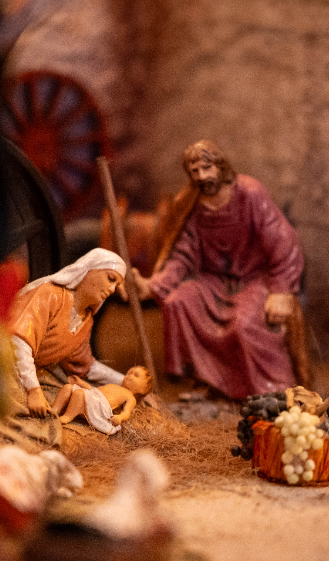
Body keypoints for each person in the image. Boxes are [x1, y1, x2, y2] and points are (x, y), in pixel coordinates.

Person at [130, 140, 304, 400]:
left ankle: (271, 391)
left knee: (245, 324)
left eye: (207, 168)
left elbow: (282, 239)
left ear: (220, 166)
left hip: (255, 279)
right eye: (195, 171)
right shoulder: (191, 203)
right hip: (214, 281)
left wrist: (281, 290)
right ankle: (208, 384)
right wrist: (153, 285)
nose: (202, 176)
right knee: (178, 302)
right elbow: (183, 254)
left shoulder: (249, 193)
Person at [9, 248, 128, 425]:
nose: (111, 289)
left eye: (116, 286)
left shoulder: (85, 321)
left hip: (27, 377)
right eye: (110, 278)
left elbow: (84, 365)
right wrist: (33, 391)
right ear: (88, 269)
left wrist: (127, 381)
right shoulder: (49, 295)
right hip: (3, 366)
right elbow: (19, 341)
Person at [51, 365, 154, 435]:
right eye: (129, 373)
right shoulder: (114, 385)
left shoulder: (130, 397)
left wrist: (120, 417)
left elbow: (126, 412)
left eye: (136, 375)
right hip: (93, 395)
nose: (129, 376)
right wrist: (81, 383)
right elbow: (94, 389)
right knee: (68, 387)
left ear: (143, 389)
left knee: (79, 393)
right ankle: (54, 410)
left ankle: (67, 416)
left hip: (100, 405)